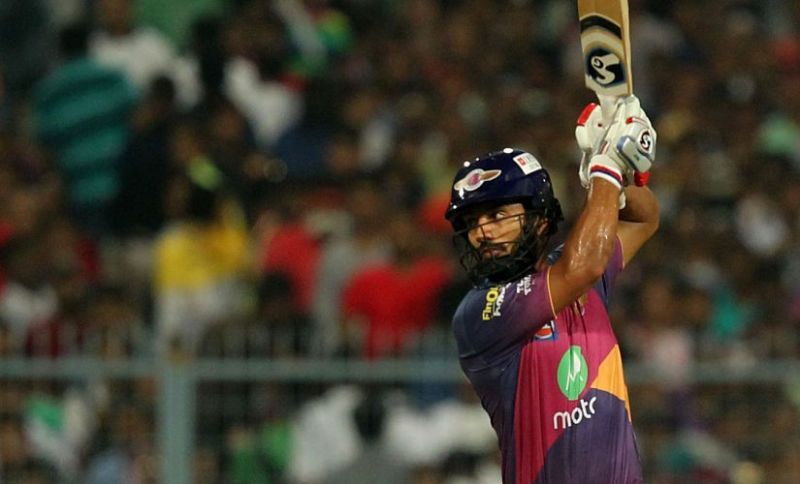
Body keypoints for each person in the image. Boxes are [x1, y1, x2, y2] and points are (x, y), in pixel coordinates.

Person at [443, 95, 660, 483]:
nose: (482, 232)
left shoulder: (572, 266)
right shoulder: (480, 311)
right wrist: (606, 169)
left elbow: (642, 219)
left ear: (540, 218)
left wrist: (615, 156)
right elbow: (586, 266)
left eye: (496, 215)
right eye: (472, 223)